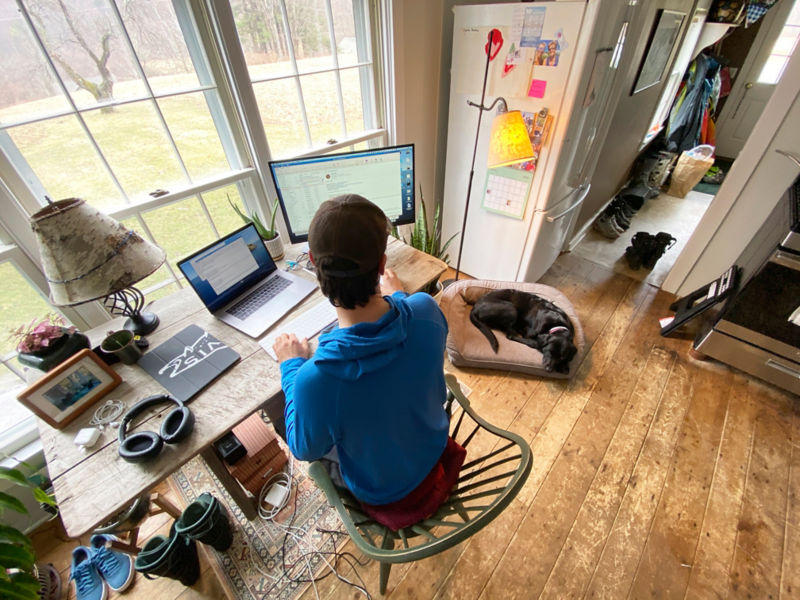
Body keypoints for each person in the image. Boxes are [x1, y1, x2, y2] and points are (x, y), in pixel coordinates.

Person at [272, 194, 452, 508]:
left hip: (382, 490)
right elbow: (410, 337)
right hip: (431, 445)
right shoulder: (425, 309)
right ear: (382, 264)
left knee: (295, 423)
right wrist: (399, 296)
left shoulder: (314, 379)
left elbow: (304, 449)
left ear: (313, 263)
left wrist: (290, 366)